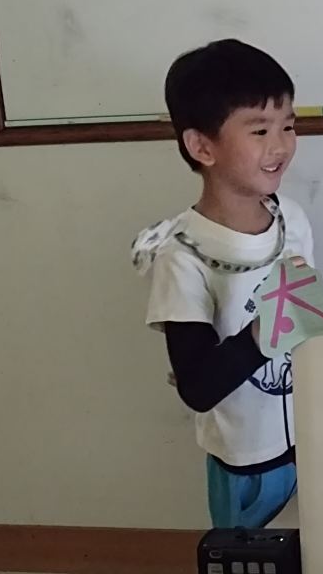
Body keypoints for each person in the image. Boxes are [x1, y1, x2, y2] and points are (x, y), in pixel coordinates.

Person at [130, 39, 313, 528]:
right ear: (202, 147)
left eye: (289, 125)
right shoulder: (181, 256)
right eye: (260, 130)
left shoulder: (292, 220)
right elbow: (197, 386)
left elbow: (307, 323)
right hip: (245, 466)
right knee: (253, 558)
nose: (281, 145)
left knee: (318, 551)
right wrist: (262, 332)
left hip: (312, 442)